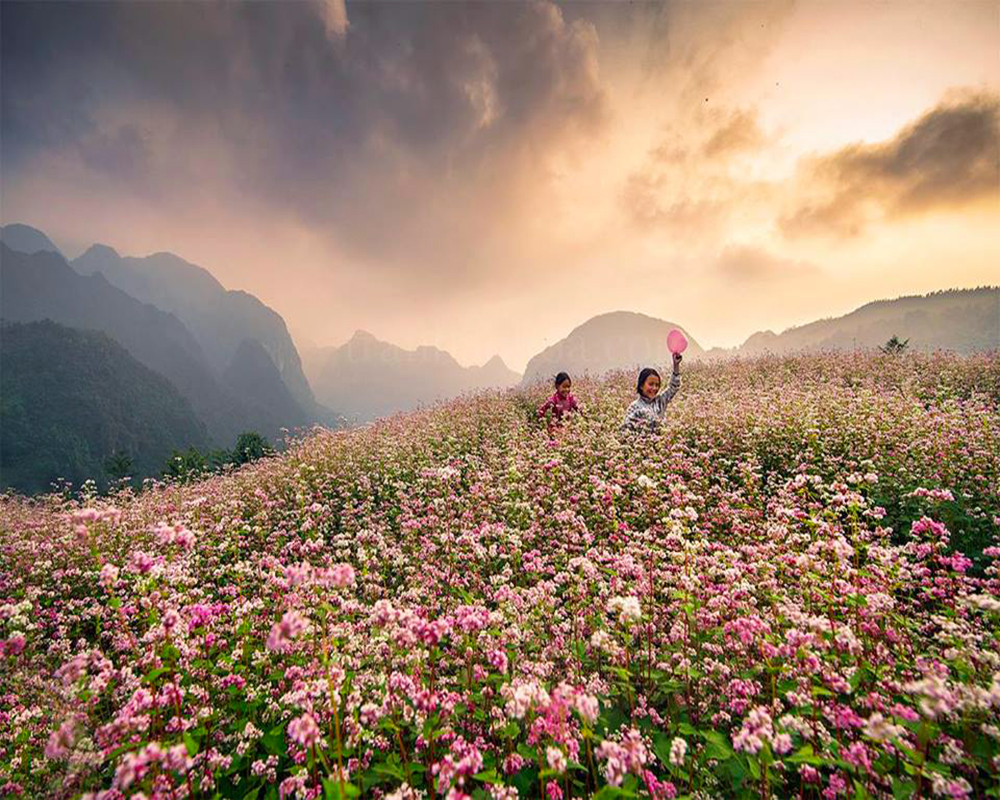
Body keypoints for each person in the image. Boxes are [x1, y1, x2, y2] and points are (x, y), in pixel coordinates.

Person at [621, 353, 682, 433]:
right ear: (641, 386)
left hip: (662, 442)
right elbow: (626, 430)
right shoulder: (634, 407)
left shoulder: (660, 401)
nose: (654, 388)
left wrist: (676, 366)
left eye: (657, 385)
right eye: (651, 384)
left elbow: (674, 387)